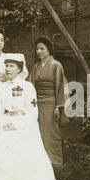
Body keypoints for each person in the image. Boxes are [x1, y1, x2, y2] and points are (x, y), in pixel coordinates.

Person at [28, 36, 66, 166]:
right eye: (37, 49)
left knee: (51, 133)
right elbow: (30, 85)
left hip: (51, 103)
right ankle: (41, 163)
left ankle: (55, 161)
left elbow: (61, 86)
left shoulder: (56, 65)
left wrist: (58, 106)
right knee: (38, 132)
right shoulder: (35, 67)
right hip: (37, 103)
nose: (39, 51)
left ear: (49, 50)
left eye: (42, 48)